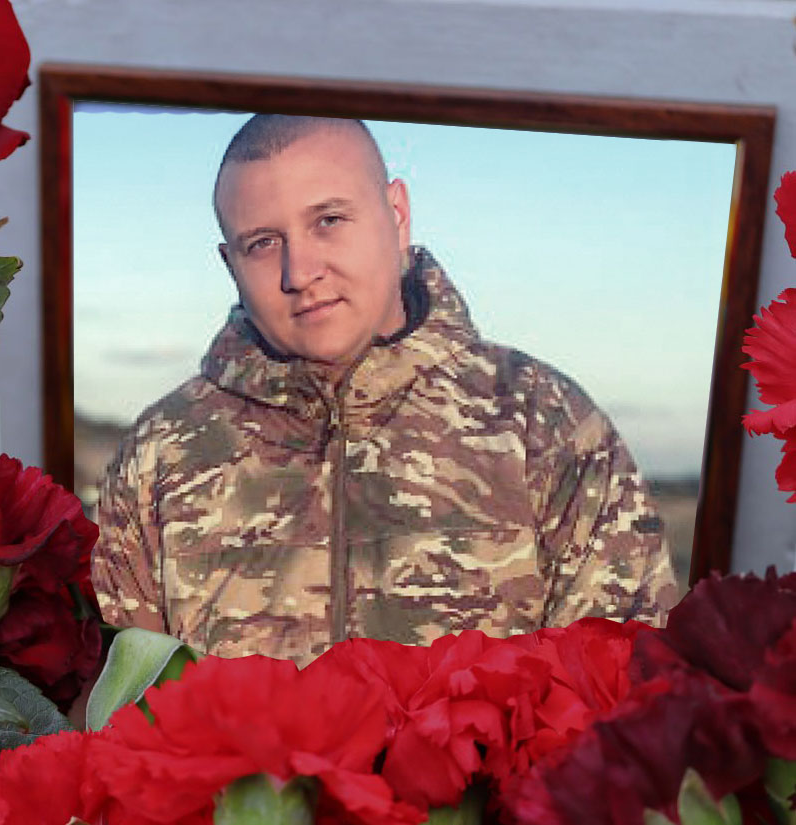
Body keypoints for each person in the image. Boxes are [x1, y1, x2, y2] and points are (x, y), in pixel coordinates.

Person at [90, 114, 679, 666]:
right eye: (263, 243)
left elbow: (620, 692)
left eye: (328, 221)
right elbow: (113, 709)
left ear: (397, 215)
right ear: (230, 264)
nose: (300, 273)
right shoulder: (160, 454)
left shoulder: (547, 423)